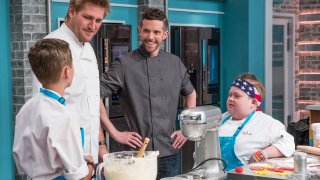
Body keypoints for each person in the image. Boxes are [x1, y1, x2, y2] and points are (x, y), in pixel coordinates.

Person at [99, 8, 197, 179]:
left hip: (169, 152)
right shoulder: (124, 64)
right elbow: (95, 96)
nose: (150, 37)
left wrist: (186, 130)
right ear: (140, 31)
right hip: (136, 155)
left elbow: (191, 94)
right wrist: (114, 132)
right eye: (146, 31)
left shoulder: (175, 63)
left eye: (156, 32)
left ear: (165, 34)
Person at [32, 0, 111, 163]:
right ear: (71, 11)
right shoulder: (51, 48)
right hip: (63, 162)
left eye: (98, 20)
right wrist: (72, 164)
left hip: (89, 158)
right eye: (87, 17)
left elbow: (91, 104)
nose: (93, 26)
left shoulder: (88, 48)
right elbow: (42, 112)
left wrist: (101, 145)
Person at [13, 39, 95, 179]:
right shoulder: (65, 117)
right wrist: (90, 166)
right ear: (67, 72)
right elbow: (80, 178)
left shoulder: (26, 109)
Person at [219, 73, 295, 171]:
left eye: (237, 96)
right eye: (230, 95)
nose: (231, 99)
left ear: (253, 103)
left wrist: (262, 154)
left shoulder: (265, 123)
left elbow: (288, 142)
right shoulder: (221, 119)